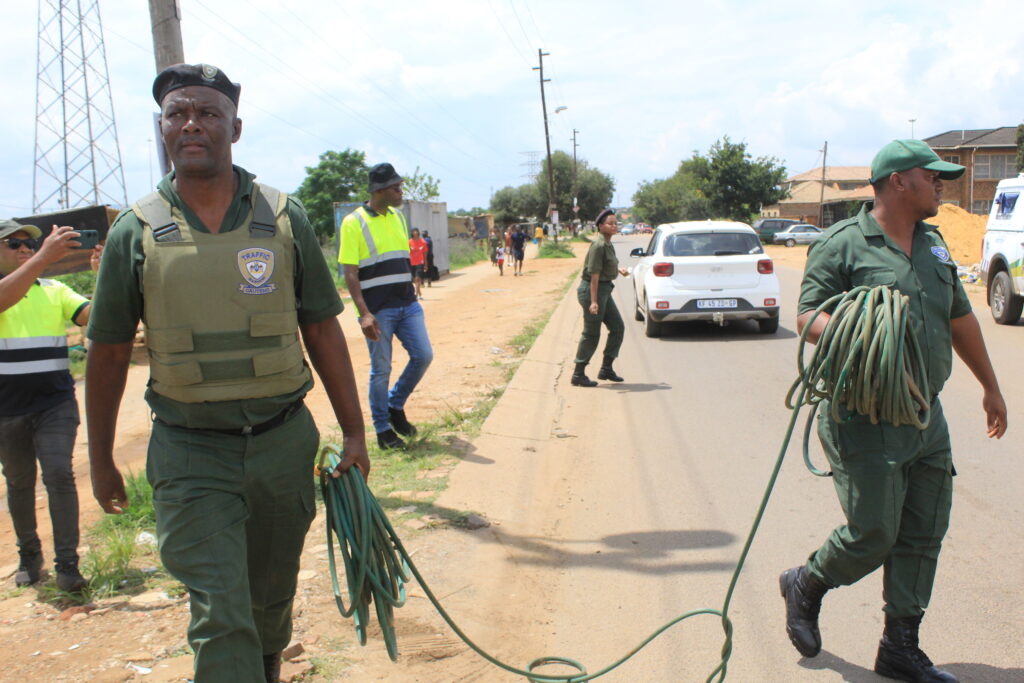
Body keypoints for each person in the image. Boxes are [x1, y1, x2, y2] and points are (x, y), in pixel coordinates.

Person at [85, 64, 369, 683]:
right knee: (221, 610)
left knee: (270, 600)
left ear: (234, 129)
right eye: (178, 113)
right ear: (161, 129)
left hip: (281, 441)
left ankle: (266, 665)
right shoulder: (133, 232)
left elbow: (321, 328)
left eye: (208, 113)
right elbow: (106, 352)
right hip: (190, 452)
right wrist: (102, 459)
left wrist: (354, 432)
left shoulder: (284, 218)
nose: (192, 123)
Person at [779, 139, 1007, 683]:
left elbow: (960, 319)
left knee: (924, 531)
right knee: (873, 533)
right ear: (899, 181)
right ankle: (807, 581)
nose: (941, 186)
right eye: (933, 177)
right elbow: (808, 313)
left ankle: (900, 647)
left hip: (926, 414)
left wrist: (990, 387)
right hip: (866, 415)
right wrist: (858, 329)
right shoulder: (841, 244)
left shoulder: (934, 245)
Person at [0, 219, 100, 594]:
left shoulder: (55, 289)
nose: (25, 249)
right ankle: (29, 556)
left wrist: (102, 275)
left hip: (54, 402)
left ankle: (68, 564)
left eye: (31, 244)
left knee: (59, 475)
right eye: (14, 244)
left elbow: (94, 316)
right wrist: (43, 257)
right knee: (20, 481)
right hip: (6, 408)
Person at [339, 163, 433, 450]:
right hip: (378, 311)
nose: (400, 192)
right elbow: (350, 272)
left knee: (423, 355)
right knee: (381, 370)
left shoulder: (399, 217)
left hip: (407, 303)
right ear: (379, 190)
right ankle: (382, 430)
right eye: (396, 187)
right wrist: (364, 313)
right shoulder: (353, 222)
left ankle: (395, 405)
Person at [571, 209, 628, 387]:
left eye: (615, 223)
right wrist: (594, 302)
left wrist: (619, 270)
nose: (614, 226)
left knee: (618, 327)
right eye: (610, 223)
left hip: (603, 290)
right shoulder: (599, 245)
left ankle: (606, 368)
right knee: (591, 333)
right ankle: (578, 374)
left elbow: (605, 265)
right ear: (601, 226)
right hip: (592, 291)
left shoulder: (608, 243)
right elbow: (594, 274)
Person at [409, 228, 427, 299]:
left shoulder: (423, 242)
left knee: (417, 278)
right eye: (413, 231)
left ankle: (416, 294)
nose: (415, 232)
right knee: (414, 279)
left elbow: (425, 254)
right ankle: (419, 293)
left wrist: (426, 264)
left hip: (420, 262)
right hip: (412, 262)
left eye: (416, 231)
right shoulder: (409, 242)